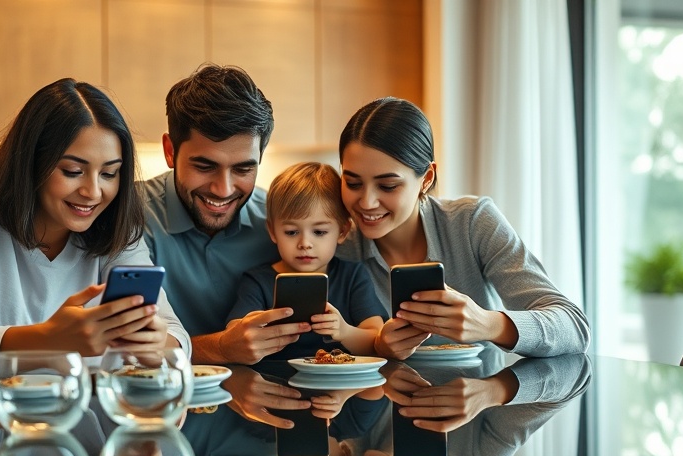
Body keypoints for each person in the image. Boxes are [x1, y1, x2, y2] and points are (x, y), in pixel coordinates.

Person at [0, 78, 189, 378]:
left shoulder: (114, 220)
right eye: (73, 171)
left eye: (109, 173)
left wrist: (156, 344)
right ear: (32, 161)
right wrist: (45, 341)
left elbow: (176, 336)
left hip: (82, 418)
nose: (94, 192)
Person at [336, 97, 591, 359]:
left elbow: (573, 327)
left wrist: (487, 324)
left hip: (483, 392)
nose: (366, 202)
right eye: (353, 183)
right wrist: (378, 348)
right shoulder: (332, 243)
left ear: (426, 179)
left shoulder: (472, 222)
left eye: (388, 186)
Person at [142, 63, 312, 365]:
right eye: (204, 166)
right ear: (170, 151)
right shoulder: (131, 217)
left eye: (244, 169)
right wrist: (219, 348)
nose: (223, 189)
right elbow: (124, 351)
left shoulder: (282, 223)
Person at [225, 162, 386, 360]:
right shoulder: (258, 281)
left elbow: (377, 340)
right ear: (273, 231)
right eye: (291, 232)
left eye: (319, 232)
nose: (305, 243)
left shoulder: (352, 276)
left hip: (340, 384)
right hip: (274, 383)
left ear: (343, 231)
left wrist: (345, 332)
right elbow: (234, 334)